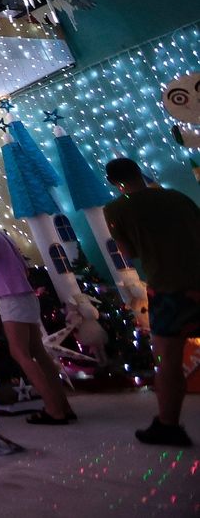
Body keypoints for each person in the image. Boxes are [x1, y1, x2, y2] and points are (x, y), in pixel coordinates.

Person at [104, 157, 200, 447]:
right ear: (139, 173)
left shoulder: (116, 210)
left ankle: (169, 425)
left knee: (167, 359)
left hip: (169, 288)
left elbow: (127, 252)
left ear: (114, 183)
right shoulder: (177, 198)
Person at [0, 203, 75, 425]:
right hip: (27, 295)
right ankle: (63, 405)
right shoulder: (3, 235)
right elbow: (24, 266)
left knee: (20, 352)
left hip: (11, 297)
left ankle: (52, 408)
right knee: (38, 351)